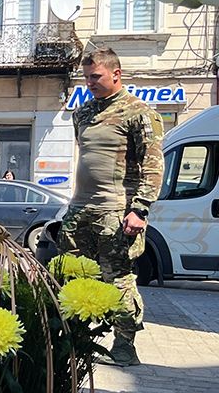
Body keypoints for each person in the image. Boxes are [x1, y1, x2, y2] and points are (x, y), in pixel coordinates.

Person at [58, 48, 163, 367]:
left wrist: (140, 209)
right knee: (75, 277)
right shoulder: (83, 113)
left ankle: (124, 346)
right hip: (80, 211)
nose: (89, 82)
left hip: (117, 212)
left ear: (116, 74)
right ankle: (78, 341)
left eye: (96, 76)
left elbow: (153, 164)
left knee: (118, 279)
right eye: (86, 76)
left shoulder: (139, 112)